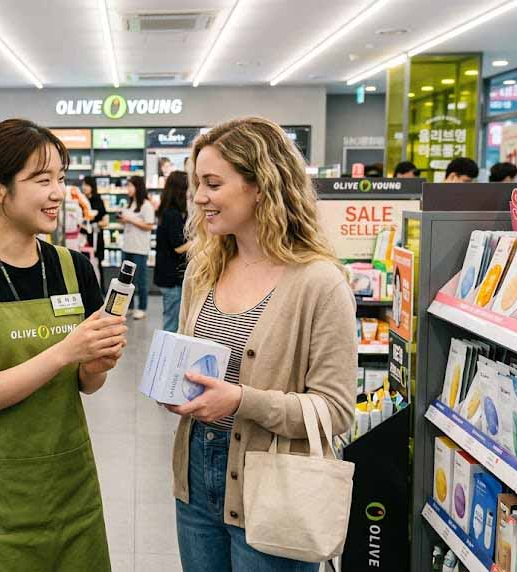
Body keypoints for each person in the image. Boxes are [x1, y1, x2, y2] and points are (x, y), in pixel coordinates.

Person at [0, 119, 126, 571]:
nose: (59, 192)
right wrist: (67, 350)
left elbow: (87, 384)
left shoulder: (74, 268)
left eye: (61, 177)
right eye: (43, 180)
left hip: (68, 486)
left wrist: (99, 359)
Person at [168, 117, 356, 572]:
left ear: (261, 186)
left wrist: (240, 400)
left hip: (275, 484)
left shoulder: (319, 283)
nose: (198, 198)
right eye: (197, 183)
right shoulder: (204, 269)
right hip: (196, 473)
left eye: (213, 183)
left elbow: (335, 410)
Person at [154, 171, 190, 332]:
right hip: (172, 277)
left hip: (168, 275)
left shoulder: (168, 212)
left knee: (172, 319)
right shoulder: (172, 215)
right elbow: (179, 247)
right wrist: (204, 240)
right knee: (171, 324)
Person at [119, 175, 155, 320]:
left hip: (139, 249)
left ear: (137, 187)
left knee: (140, 280)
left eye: (130, 186)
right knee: (126, 281)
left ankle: (142, 308)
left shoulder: (146, 205)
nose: (127, 189)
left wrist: (131, 220)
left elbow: (149, 226)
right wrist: (123, 220)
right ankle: (130, 306)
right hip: (127, 246)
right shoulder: (130, 204)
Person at [82, 176, 108, 281]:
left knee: (96, 265)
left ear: (92, 186)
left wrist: (94, 225)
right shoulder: (82, 200)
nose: (84, 187)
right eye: (83, 184)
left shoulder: (97, 200)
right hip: (83, 238)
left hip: (95, 238)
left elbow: (106, 221)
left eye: (87, 185)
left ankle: (100, 292)